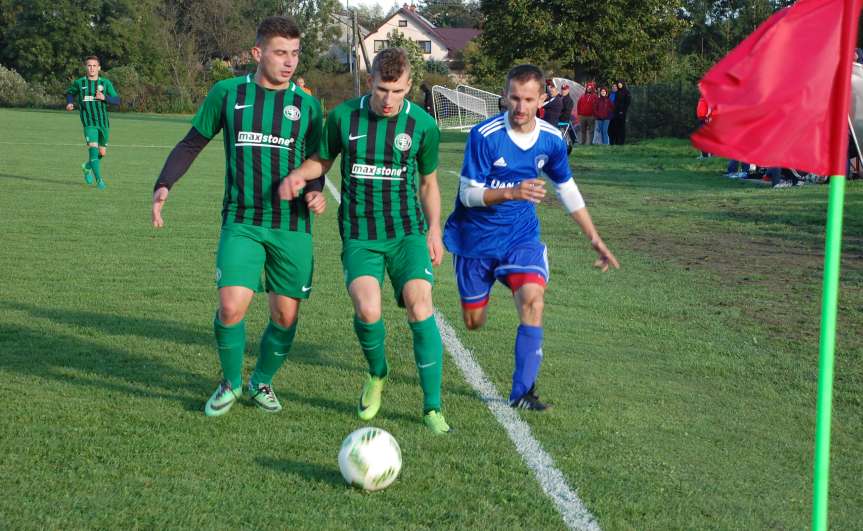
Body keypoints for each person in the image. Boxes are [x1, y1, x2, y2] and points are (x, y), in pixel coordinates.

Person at [150, 16, 327, 417]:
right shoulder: (228, 94)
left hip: (292, 226)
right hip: (242, 221)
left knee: (285, 315)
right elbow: (192, 142)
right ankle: (229, 383)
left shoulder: (308, 106)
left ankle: (260, 380)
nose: (289, 62)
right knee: (231, 306)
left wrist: (314, 192)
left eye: (295, 54)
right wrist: (164, 184)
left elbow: (317, 161)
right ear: (257, 52)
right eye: (280, 52)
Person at [279, 48, 450, 434]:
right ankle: (377, 373)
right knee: (368, 309)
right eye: (382, 89)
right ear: (370, 81)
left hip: (406, 232)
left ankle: (432, 408)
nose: (388, 100)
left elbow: (428, 184)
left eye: (397, 91)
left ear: (408, 86)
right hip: (360, 233)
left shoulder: (423, 126)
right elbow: (321, 161)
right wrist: (298, 175)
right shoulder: (343, 116)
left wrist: (434, 228)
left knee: (420, 304)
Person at [442, 64, 620, 410]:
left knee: (533, 301)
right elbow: (467, 195)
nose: (520, 107)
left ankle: (523, 392)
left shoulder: (552, 140)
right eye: (514, 98)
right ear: (505, 97)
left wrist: (595, 238)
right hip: (475, 240)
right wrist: (512, 191)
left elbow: (566, 188)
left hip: (519, 237)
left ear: (542, 99)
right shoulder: (485, 136)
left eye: (528, 99)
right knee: (473, 322)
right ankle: (480, 299)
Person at [64, 56, 120, 190]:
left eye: (94, 66)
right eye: (89, 65)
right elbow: (69, 93)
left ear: (99, 68)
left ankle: (86, 167)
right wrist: (70, 102)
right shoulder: (80, 83)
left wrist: (104, 97)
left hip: (103, 123)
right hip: (89, 124)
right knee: (93, 151)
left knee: (102, 153)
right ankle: (100, 180)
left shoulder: (105, 83)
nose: (92, 68)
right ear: (86, 67)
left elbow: (117, 100)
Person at [612, 80, 631, 145]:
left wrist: (622, 111)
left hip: (622, 113)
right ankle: (616, 142)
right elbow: (616, 102)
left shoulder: (626, 92)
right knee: (616, 127)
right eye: (618, 84)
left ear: (623, 84)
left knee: (622, 127)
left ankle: (621, 142)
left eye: (620, 84)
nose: (619, 85)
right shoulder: (617, 92)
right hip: (616, 113)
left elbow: (627, 103)